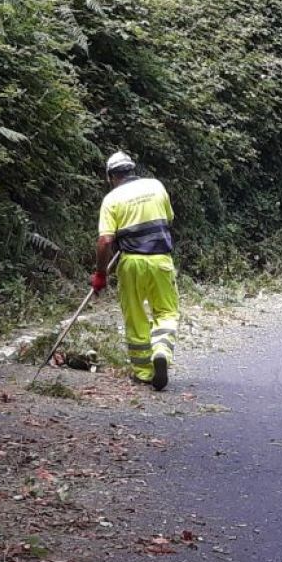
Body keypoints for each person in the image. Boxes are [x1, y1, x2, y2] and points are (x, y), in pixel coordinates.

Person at [92, 151, 179, 391]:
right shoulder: (156, 186)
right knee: (166, 312)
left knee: (135, 316)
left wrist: (101, 274)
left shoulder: (111, 199)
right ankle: (161, 351)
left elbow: (105, 241)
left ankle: (143, 373)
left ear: (111, 176)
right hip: (161, 260)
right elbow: (168, 219)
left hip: (131, 264)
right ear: (132, 169)